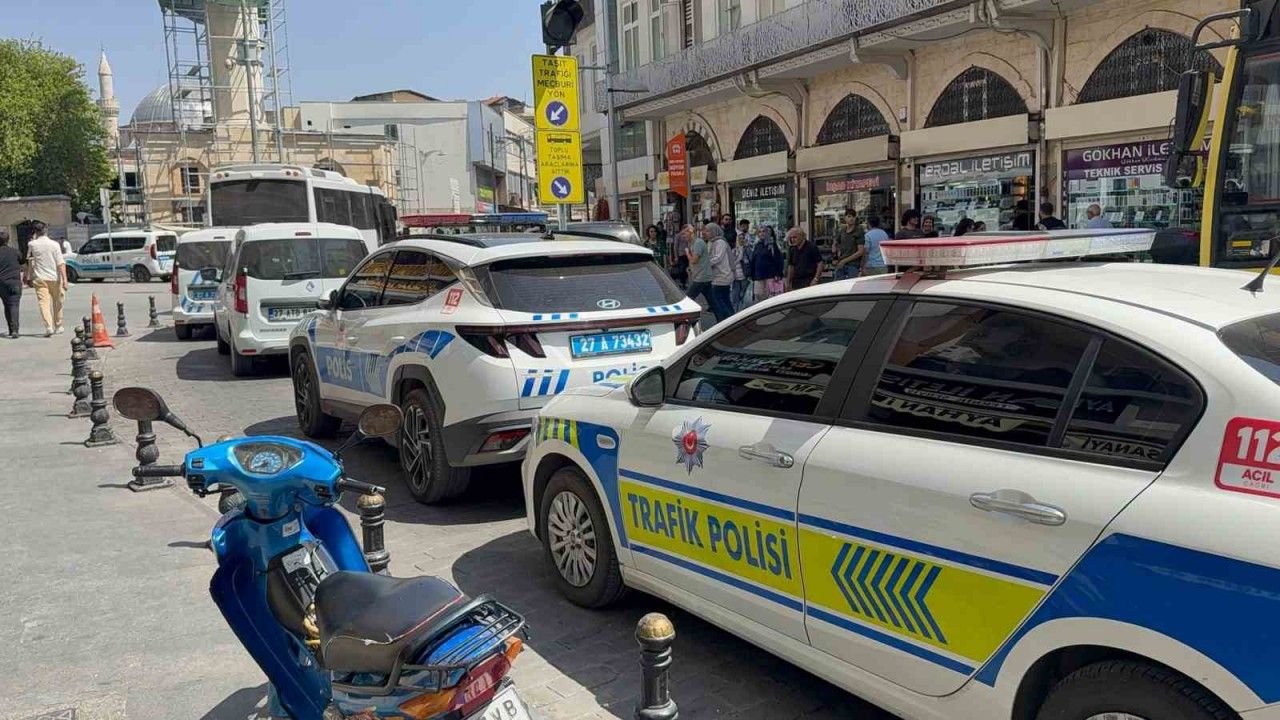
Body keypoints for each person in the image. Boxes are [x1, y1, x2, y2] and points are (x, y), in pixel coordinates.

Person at [24, 222, 67, 337]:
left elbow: (30, 261)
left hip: (39, 278)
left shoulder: (32, 244)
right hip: (55, 277)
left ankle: (48, 326)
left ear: (35, 232)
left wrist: (28, 276)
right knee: (58, 302)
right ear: (46, 230)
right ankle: (58, 325)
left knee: (44, 303)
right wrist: (65, 280)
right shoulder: (54, 244)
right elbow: (60, 262)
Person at [706, 223, 735, 323]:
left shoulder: (720, 242)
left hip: (723, 275)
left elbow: (718, 258)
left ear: (714, 231)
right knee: (725, 300)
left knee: (719, 301)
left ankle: (725, 321)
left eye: (708, 231)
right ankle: (731, 321)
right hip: (715, 275)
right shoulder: (711, 242)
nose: (705, 233)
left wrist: (705, 264)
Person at [750, 226, 783, 304]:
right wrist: (752, 274)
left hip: (770, 276)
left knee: (770, 298)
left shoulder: (772, 245)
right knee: (758, 296)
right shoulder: (757, 245)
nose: (762, 233)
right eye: (760, 232)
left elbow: (778, 260)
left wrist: (778, 274)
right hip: (758, 276)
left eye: (764, 231)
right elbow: (754, 260)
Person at [685, 223, 713, 313]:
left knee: (688, 297)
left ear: (691, 233)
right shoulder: (692, 243)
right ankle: (723, 316)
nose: (684, 236)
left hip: (701, 277)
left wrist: (687, 253)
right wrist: (690, 268)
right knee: (713, 301)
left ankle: (685, 315)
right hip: (702, 275)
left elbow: (694, 260)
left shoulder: (698, 243)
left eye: (685, 233)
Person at [0, 231, 22, 338]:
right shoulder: (15, 252)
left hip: (1, 282)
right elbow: (23, 263)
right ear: (8, 240)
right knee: (13, 305)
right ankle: (14, 330)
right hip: (14, 281)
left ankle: (11, 328)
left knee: (6, 305)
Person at [832, 209, 863, 280]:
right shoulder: (842, 230)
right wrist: (835, 257)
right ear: (845, 218)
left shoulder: (858, 231)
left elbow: (860, 251)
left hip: (853, 265)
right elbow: (834, 244)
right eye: (849, 216)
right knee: (837, 284)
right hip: (841, 263)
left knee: (851, 284)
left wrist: (844, 261)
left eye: (853, 216)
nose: (851, 218)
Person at [730, 231, 750, 311]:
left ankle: (742, 311)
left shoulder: (747, 250)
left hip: (744, 277)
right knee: (735, 297)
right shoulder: (733, 251)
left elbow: (751, 261)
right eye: (739, 238)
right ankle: (735, 313)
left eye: (742, 238)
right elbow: (732, 263)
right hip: (735, 277)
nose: (741, 240)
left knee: (743, 296)